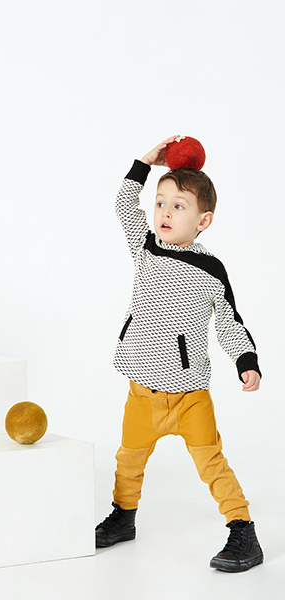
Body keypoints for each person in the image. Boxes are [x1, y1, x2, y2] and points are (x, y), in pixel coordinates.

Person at [96, 136, 264, 572]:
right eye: (160, 204)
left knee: (212, 463)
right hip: (142, 392)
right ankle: (123, 517)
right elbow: (123, 205)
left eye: (178, 206)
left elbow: (229, 322)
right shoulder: (146, 247)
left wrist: (246, 361)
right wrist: (144, 163)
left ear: (204, 220)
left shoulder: (211, 270)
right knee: (128, 459)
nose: (165, 213)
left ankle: (243, 531)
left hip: (190, 396)